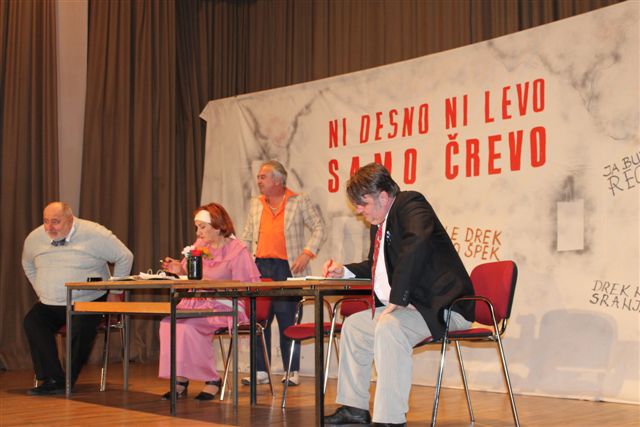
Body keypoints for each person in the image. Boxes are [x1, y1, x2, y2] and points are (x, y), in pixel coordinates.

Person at [322, 163, 475, 426]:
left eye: (363, 203)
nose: (358, 210)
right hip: (414, 308)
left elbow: (417, 244)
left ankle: (390, 419)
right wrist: (344, 271)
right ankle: (354, 408)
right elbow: (376, 266)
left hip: (444, 307)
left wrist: (398, 299)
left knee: (390, 326)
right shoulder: (379, 224)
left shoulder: (410, 203)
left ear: (383, 197)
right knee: (355, 326)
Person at [22, 202, 134, 395]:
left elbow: (125, 256)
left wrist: (115, 291)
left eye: (55, 222)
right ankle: (53, 378)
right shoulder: (35, 237)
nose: (49, 227)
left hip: (88, 299)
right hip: (50, 302)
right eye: (46, 221)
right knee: (32, 322)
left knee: (81, 327)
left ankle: (68, 379)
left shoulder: (95, 233)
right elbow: (27, 263)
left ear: (70, 220)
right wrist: (40, 288)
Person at [159, 202, 261, 401]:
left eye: (202, 227)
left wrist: (216, 285)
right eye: (197, 227)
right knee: (168, 324)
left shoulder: (237, 250)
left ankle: (212, 379)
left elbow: (249, 285)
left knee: (189, 327)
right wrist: (178, 268)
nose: (198, 232)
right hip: (196, 303)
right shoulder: (199, 247)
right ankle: (180, 378)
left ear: (218, 226)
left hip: (224, 305)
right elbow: (188, 271)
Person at [240, 160, 326, 386]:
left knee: (288, 319)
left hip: (287, 268)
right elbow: (247, 235)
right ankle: (261, 370)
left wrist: (307, 254)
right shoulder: (256, 203)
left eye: (263, 177)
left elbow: (319, 227)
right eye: (258, 177)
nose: (259, 181)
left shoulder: (299, 200)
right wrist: (244, 263)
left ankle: (291, 370)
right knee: (259, 319)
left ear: (278, 180)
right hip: (260, 267)